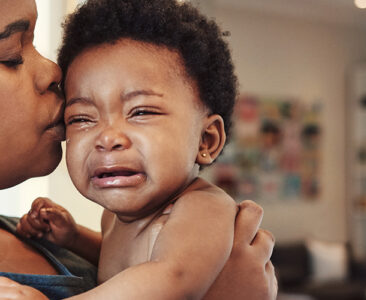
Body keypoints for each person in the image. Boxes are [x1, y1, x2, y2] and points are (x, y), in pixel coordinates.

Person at [0, 0, 276, 299]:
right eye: (80, 118)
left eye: (141, 112)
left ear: (206, 140)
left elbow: (172, 277)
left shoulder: (201, 208)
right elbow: (124, 263)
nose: (108, 138)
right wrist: (76, 238)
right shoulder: (113, 218)